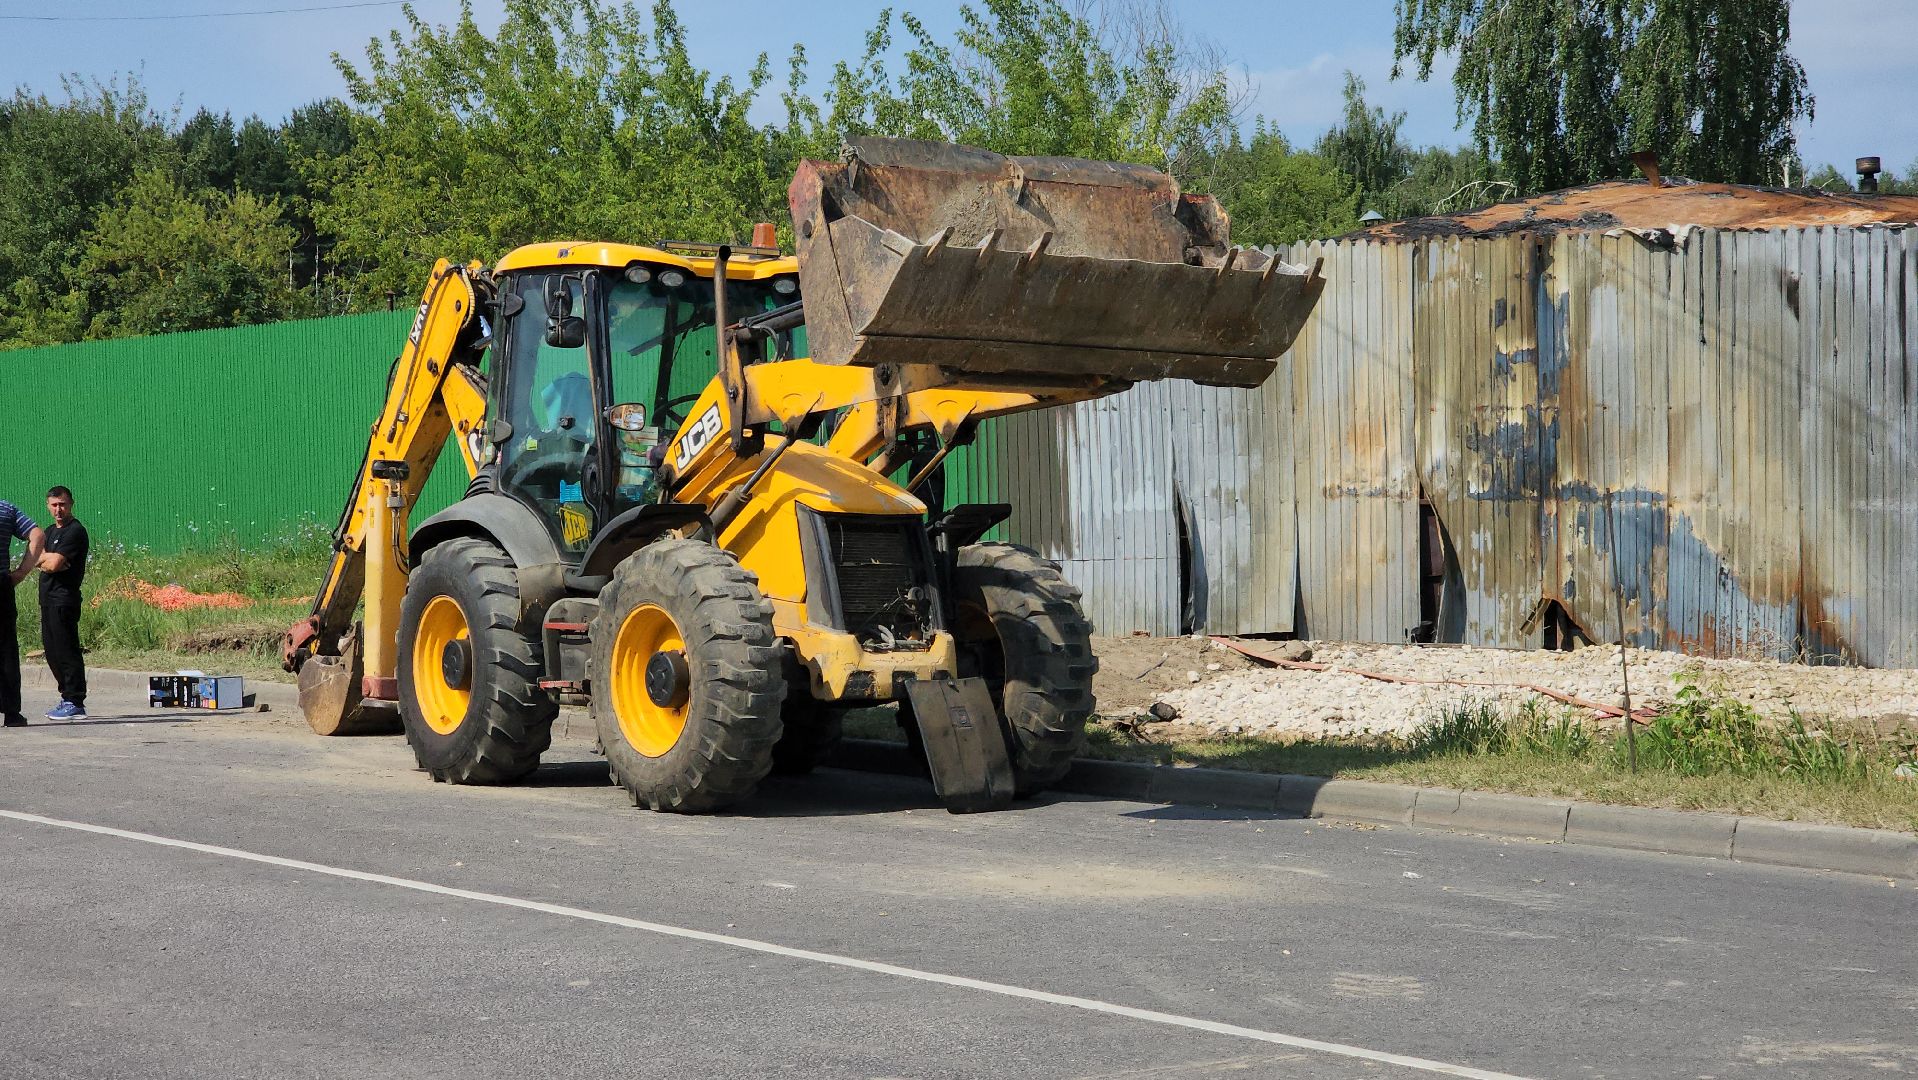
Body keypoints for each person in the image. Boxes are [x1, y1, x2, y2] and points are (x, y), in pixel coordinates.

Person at [38, 486, 89, 721]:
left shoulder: (75, 531)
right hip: (47, 599)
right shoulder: (49, 531)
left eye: (62, 504)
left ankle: (75, 701)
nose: (58, 510)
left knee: (67, 650)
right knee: (52, 652)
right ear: (48, 506)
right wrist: (45, 559)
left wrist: (48, 559)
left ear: (71, 504)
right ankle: (66, 697)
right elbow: (36, 557)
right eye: (54, 505)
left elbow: (53, 564)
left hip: (64, 599)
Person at [1, 498, 46, 728]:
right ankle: (11, 712)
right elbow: (37, 535)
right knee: (6, 649)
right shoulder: (6, 508)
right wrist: (21, 572)